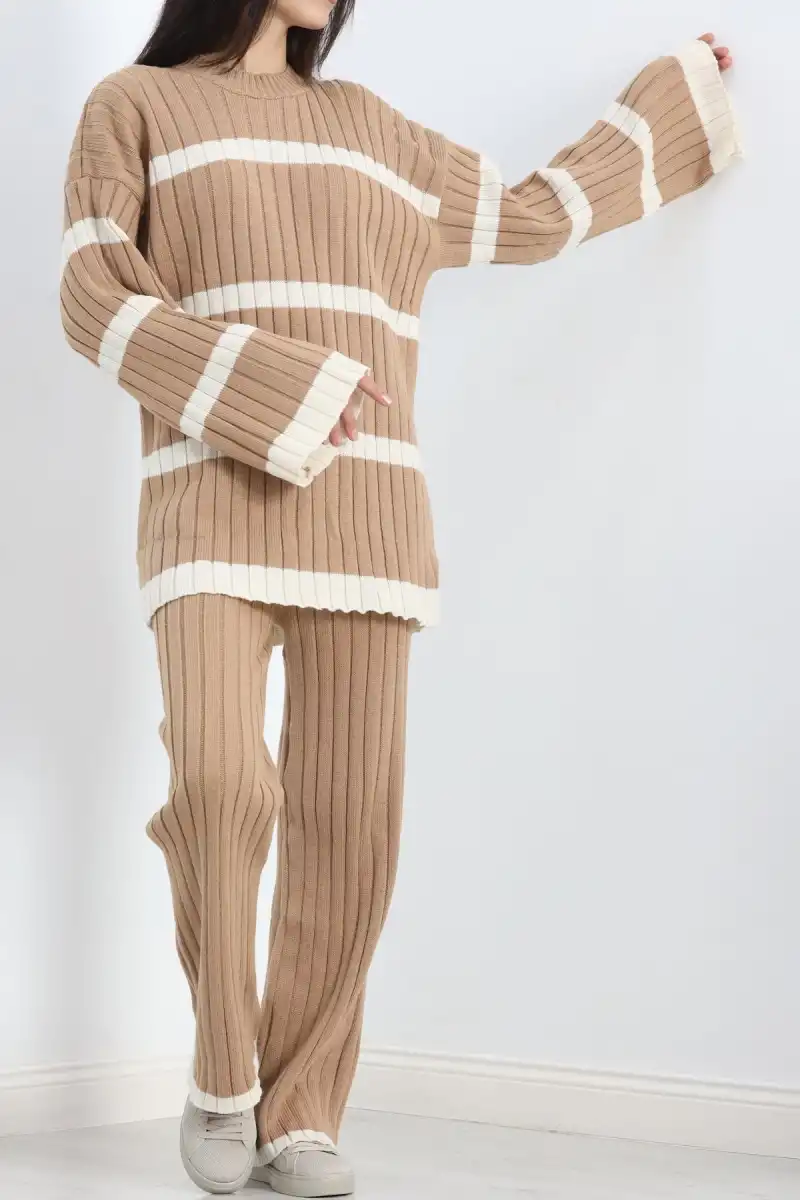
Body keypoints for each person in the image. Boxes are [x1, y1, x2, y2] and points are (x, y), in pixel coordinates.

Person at [60, 1, 737, 1194]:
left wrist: (674, 96)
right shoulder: (135, 106)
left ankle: (298, 1113)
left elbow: (532, 215)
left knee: (349, 826)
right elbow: (96, 297)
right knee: (217, 786)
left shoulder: (372, 129)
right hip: (207, 501)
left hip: (367, 515)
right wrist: (281, 389)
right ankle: (223, 1071)